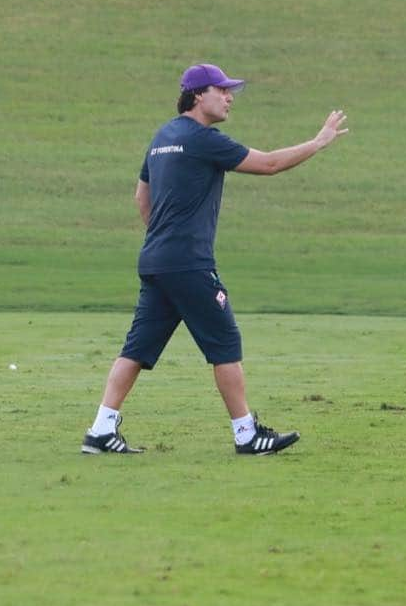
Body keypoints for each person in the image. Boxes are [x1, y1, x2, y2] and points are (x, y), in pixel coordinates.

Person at [82, 63, 348, 456]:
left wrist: (163, 239)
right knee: (225, 342)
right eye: (221, 90)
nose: (229, 98)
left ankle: (101, 430)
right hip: (189, 264)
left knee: (137, 349)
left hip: (156, 260)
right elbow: (270, 164)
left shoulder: (162, 137)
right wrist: (319, 141)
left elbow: (142, 198)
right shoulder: (203, 139)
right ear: (196, 95)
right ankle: (246, 435)